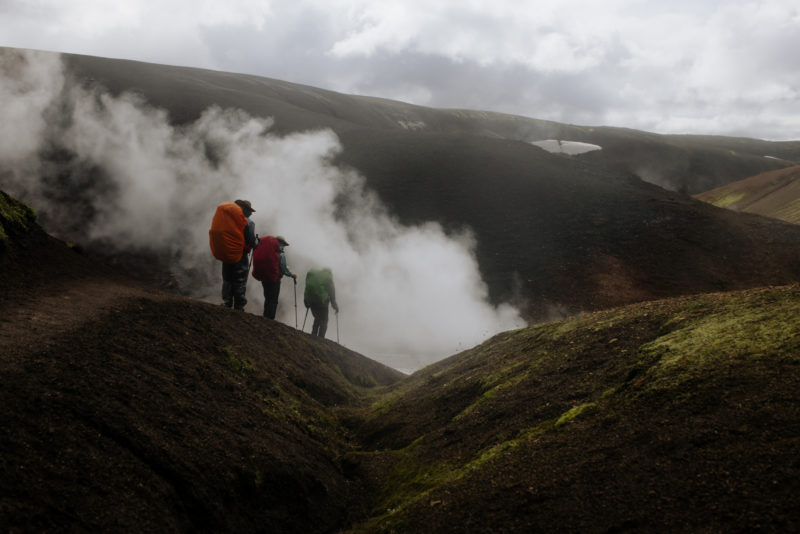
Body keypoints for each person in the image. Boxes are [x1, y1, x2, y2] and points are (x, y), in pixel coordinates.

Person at [211, 199, 257, 311]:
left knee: (227, 278)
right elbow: (251, 241)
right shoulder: (248, 222)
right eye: (250, 210)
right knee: (239, 279)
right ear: (245, 209)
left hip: (227, 252)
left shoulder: (228, 220)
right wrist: (257, 242)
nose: (251, 213)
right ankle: (239, 306)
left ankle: (227, 302)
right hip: (240, 254)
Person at [261, 235, 297, 319]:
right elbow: (283, 268)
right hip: (275, 279)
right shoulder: (281, 254)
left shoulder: (267, 251)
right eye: (283, 244)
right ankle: (270, 319)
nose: (284, 247)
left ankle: (265, 316)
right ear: (280, 244)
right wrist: (292, 275)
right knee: (273, 299)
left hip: (265, 277)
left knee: (267, 297)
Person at [303, 268, 339, 338]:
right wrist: (335, 307)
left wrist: (306, 301)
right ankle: (321, 338)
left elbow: (307, 289)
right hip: (322, 302)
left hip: (312, 301)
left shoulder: (315, 277)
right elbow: (332, 295)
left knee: (317, 317)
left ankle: (313, 334)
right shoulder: (328, 279)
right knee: (324, 320)